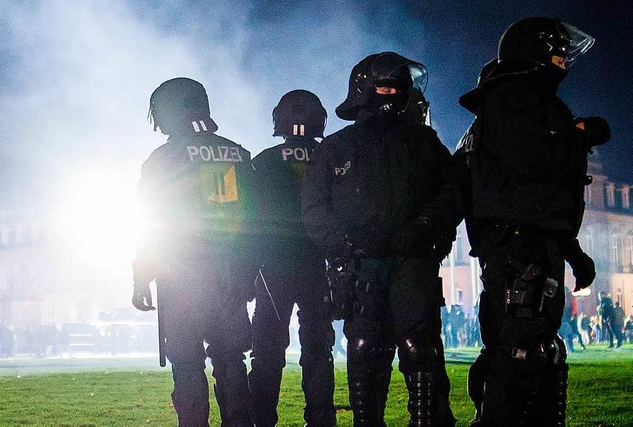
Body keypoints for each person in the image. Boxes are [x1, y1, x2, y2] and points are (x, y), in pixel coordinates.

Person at [454, 17, 610, 426]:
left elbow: (540, 199)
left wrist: (573, 252)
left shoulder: (523, 102)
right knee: (520, 351)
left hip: (532, 242)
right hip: (518, 247)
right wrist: (577, 137)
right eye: (556, 52)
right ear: (533, 54)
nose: (562, 61)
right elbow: (532, 169)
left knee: (538, 349)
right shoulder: (513, 99)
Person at [302, 51, 458, 426]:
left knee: (407, 347)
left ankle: (416, 421)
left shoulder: (423, 142)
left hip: (404, 260)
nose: (390, 94)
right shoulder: (339, 146)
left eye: (396, 87)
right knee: (369, 348)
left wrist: (422, 229)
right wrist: (343, 245)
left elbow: (452, 196)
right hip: (370, 261)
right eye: (384, 86)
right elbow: (314, 208)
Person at [131, 77, 255, 427]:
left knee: (187, 365)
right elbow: (258, 220)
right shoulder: (238, 153)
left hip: (181, 279)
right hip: (231, 276)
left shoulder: (163, 159)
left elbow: (151, 225)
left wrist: (142, 277)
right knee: (232, 362)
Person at [248, 89, 336, 427]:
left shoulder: (264, 161)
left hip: (273, 268)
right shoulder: (330, 154)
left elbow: (248, 219)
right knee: (318, 351)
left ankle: (262, 420)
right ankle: (321, 419)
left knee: (267, 353)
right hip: (320, 266)